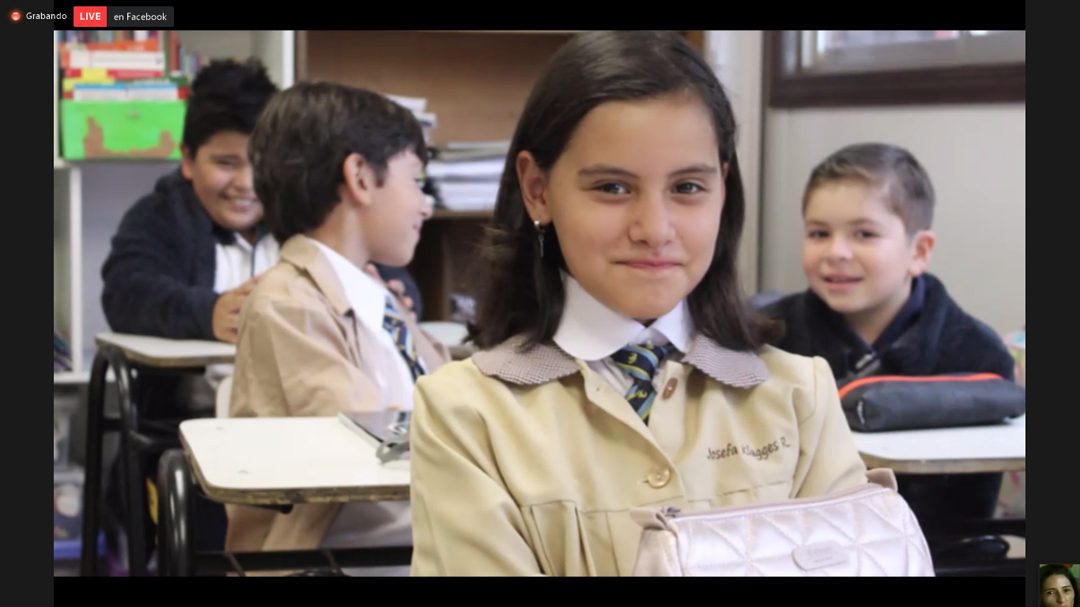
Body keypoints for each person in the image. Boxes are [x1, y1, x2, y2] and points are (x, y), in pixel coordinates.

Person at [407, 31, 869, 576]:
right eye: (612, 187)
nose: (654, 229)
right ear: (538, 189)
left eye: (687, 188)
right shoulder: (465, 414)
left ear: (722, 188)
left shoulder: (799, 394)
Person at [98, 58, 421, 570]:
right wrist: (206, 312)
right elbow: (127, 290)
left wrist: (398, 300)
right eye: (226, 163)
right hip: (198, 426)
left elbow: (394, 280)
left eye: (256, 163)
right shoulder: (162, 217)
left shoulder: (311, 224)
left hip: (314, 424)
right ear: (188, 161)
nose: (245, 183)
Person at [226, 81, 449, 559]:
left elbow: (446, 391)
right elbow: (369, 437)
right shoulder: (288, 304)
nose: (425, 204)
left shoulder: (373, 295)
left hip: (411, 537)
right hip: (349, 557)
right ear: (361, 178)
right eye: (416, 181)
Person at [762, 142, 1016, 534]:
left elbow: (973, 519)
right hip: (796, 546)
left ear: (919, 251)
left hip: (938, 551)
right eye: (819, 233)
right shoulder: (767, 338)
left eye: (864, 234)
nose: (836, 251)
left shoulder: (977, 354)